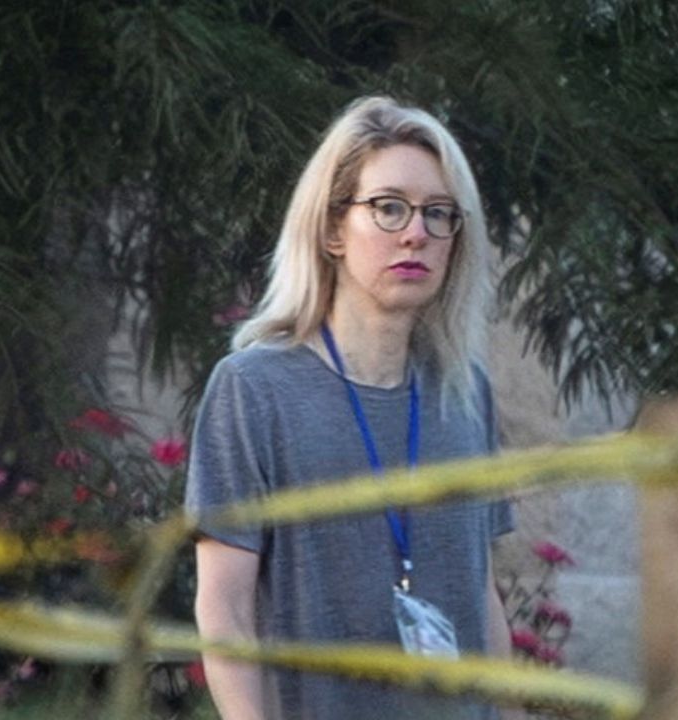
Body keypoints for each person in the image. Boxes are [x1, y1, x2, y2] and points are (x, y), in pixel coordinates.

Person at [185, 95, 514, 720]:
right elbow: (223, 610)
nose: (415, 232)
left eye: (438, 213)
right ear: (334, 228)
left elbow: (480, 594)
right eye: (388, 207)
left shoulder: (464, 392)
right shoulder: (254, 389)